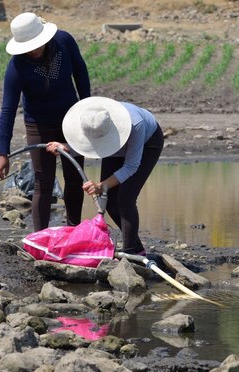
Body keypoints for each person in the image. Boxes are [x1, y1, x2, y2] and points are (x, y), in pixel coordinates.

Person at [0, 12, 91, 231]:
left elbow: (81, 73)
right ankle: (40, 238)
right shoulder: (17, 67)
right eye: (28, 46)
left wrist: (87, 109)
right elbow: (8, 111)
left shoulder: (64, 42)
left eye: (36, 44)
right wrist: (3, 153)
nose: (33, 50)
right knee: (43, 182)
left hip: (71, 119)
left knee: (75, 177)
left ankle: (72, 231)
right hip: (38, 123)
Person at [46, 96, 164, 256]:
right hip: (114, 145)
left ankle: (129, 254)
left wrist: (101, 185)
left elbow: (131, 166)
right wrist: (66, 147)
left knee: (125, 200)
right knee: (109, 202)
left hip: (148, 143)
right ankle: (138, 250)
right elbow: (87, 144)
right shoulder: (91, 120)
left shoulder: (136, 123)